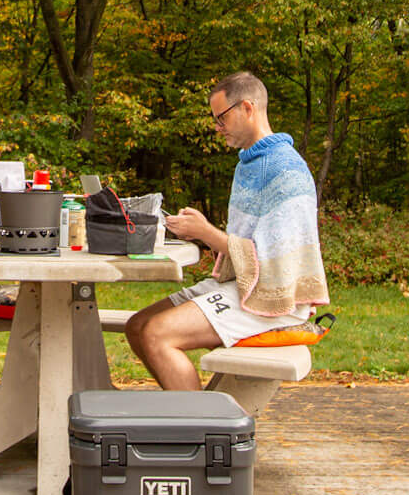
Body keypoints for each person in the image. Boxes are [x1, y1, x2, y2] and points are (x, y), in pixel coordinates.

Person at [127, 71, 329, 390]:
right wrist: (195, 231)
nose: (217, 127)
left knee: (157, 334)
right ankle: (185, 413)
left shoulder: (285, 169)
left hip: (276, 301)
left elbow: (274, 264)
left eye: (221, 118)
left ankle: (199, 433)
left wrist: (206, 232)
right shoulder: (248, 164)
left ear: (247, 108)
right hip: (243, 287)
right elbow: (247, 244)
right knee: (137, 326)